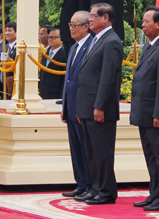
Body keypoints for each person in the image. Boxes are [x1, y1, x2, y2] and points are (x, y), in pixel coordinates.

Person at [129, 6, 159, 211]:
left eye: (146, 21)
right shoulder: (149, 46)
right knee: (151, 158)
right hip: (144, 113)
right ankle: (154, 194)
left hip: (157, 115)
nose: (142, 24)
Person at [76, 3, 123, 205]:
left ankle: (106, 191)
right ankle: (95, 188)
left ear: (105, 18)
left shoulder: (111, 41)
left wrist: (100, 106)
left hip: (100, 107)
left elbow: (108, 77)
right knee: (91, 151)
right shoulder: (97, 39)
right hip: (88, 105)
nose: (90, 19)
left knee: (102, 151)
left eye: (94, 16)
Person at [61, 11, 94, 201]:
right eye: (70, 25)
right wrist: (65, 106)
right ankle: (81, 184)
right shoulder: (73, 48)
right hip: (71, 106)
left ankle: (90, 184)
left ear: (85, 26)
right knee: (75, 149)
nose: (72, 29)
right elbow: (69, 80)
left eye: (75, 25)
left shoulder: (91, 46)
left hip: (83, 107)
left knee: (86, 149)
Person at [39, 28, 66, 100]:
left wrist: (61, 96)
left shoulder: (64, 54)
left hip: (56, 94)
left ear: (61, 39)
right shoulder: (45, 53)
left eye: (54, 37)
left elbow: (64, 78)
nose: (51, 39)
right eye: (49, 37)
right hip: (43, 92)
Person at [2, 23, 18, 97]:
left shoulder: (18, 47)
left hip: (13, 82)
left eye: (10, 30)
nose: (7, 33)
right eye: (6, 31)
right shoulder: (5, 47)